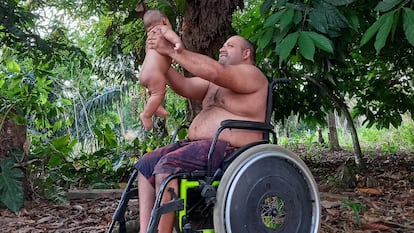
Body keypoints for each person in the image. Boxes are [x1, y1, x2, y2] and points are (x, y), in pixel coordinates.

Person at [135, 28, 268, 233]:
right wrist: (160, 58)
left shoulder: (252, 74)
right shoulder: (215, 84)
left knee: (166, 166)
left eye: (230, 45)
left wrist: (172, 51)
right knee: (146, 164)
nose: (223, 48)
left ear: (246, 54)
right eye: (223, 45)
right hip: (201, 146)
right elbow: (184, 86)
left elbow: (215, 71)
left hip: (232, 150)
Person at [139, 9, 182, 130]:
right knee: (159, 92)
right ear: (164, 20)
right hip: (154, 73)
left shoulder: (150, 38)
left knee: (156, 91)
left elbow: (152, 54)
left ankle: (156, 106)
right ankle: (146, 114)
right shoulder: (163, 28)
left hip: (144, 72)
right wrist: (178, 43)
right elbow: (171, 36)